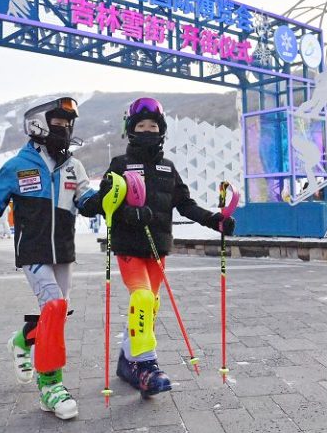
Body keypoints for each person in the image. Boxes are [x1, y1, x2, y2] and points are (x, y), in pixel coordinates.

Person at [0, 96, 99, 420]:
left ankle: (21, 341)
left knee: (57, 317)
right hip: (33, 250)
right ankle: (50, 386)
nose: (63, 129)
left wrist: (106, 198)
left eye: (67, 124)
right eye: (57, 122)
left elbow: (87, 200)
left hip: (63, 249)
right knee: (53, 306)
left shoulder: (73, 166)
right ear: (38, 123)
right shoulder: (17, 166)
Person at [98, 97, 235, 398]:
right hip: (129, 246)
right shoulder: (120, 164)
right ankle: (145, 366)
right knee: (143, 298)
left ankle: (126, 360)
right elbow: (103, 202)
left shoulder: (167, 167)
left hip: (157, 248)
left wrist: (215, 220)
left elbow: (184, 204)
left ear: (161, 131)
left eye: (153, 126)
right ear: (131, 130)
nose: (148, 131)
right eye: (141, 126)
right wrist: (127, 212)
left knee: (149, 305)